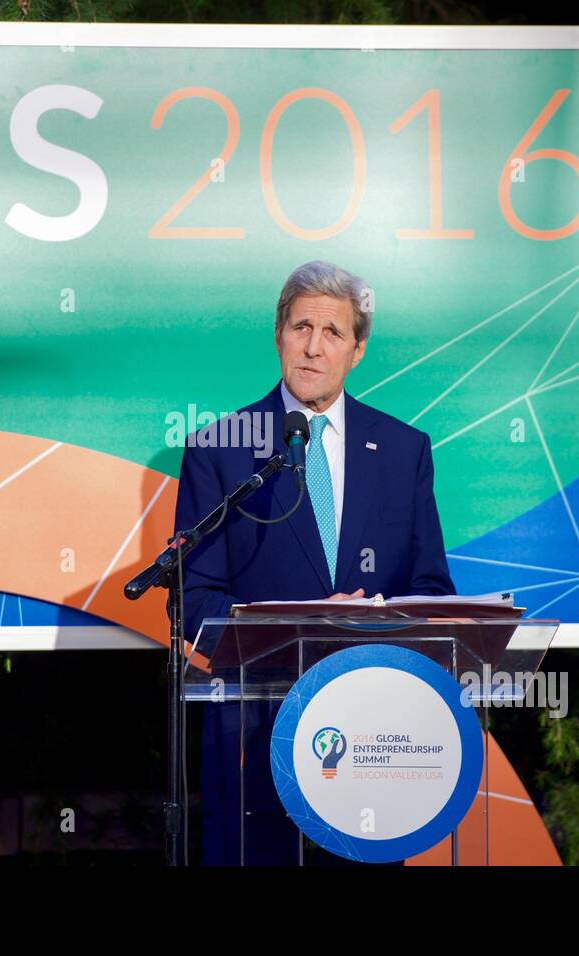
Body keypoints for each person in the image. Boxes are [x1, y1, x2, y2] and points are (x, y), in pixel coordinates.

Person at [172, 260, 456, 865]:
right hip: (255, 729)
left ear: (357, 350)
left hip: (372, 736)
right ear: (279, 334)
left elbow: (430, 590)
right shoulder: (220, 449)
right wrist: (306, 625)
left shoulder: (405, 451)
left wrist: (374, 624)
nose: (312, 347)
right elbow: (194, 603)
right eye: (301, 327)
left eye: (332, 333)